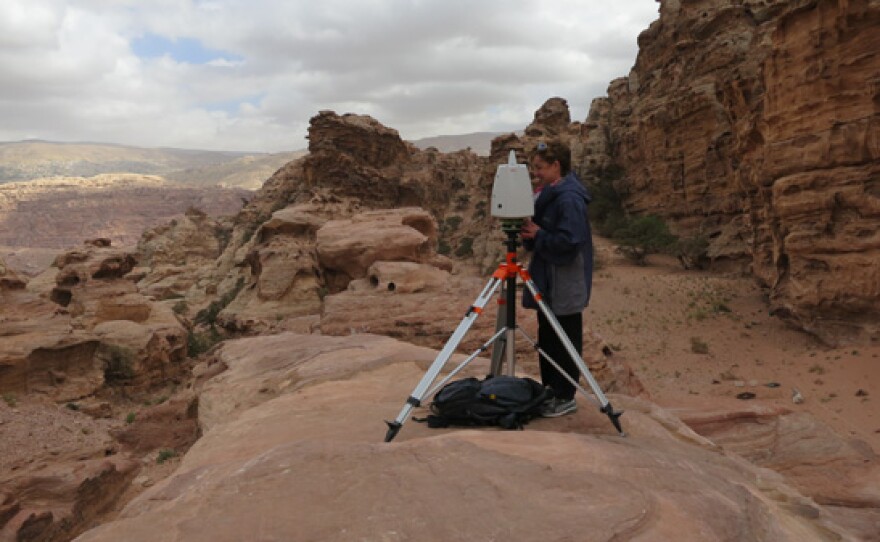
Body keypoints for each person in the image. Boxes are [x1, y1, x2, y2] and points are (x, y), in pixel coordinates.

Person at [520, 140, 593, 417]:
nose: (535, 173)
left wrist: (539, 235)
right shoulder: (551, 194)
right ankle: (550, 390)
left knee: (565, 338)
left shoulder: (569, 198)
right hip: (550, 279)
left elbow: (570, 240)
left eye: (539, 168)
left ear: (556, 166)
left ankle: (565, 396)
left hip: (565, 281)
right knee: (549, 336)